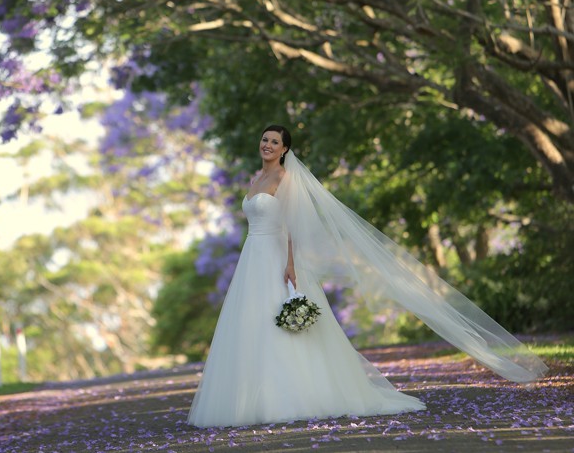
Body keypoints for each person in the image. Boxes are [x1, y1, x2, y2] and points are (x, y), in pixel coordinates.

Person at [187, 125, 547, 428]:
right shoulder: (257, 177)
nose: (267, 145)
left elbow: (294, 227)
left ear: (284, 150)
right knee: (250, 325)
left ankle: (290, 395)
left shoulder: (285, 178)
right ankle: (248, 396)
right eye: (264, 140)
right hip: (252, 257)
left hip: (278, 256)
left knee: (281, 323)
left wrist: (292, 265)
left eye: (274, 142)